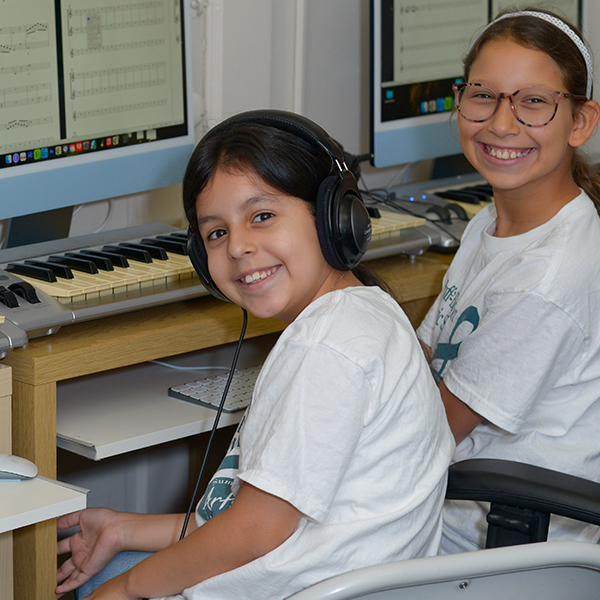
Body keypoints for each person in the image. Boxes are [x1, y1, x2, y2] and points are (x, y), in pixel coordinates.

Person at [56, 111, 454, 599]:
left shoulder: (325, 347)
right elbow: (253, 518)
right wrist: (126, 528)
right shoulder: (364, 317)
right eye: (216, 233)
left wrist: (127, 590)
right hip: (324, 579)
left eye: (261, 216)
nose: (239, 247)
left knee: (99, 585)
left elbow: (254, 531)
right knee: (106, 562)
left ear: (333, 217)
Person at [417, 8, 600, 554]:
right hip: (450, 501)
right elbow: (426, 353)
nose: (501, 123)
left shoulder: (548, 274)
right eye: (483, 95)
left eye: (534, 102)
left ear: (580, 122)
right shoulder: (492, 221)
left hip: (490, 535)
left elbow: (428, 432)